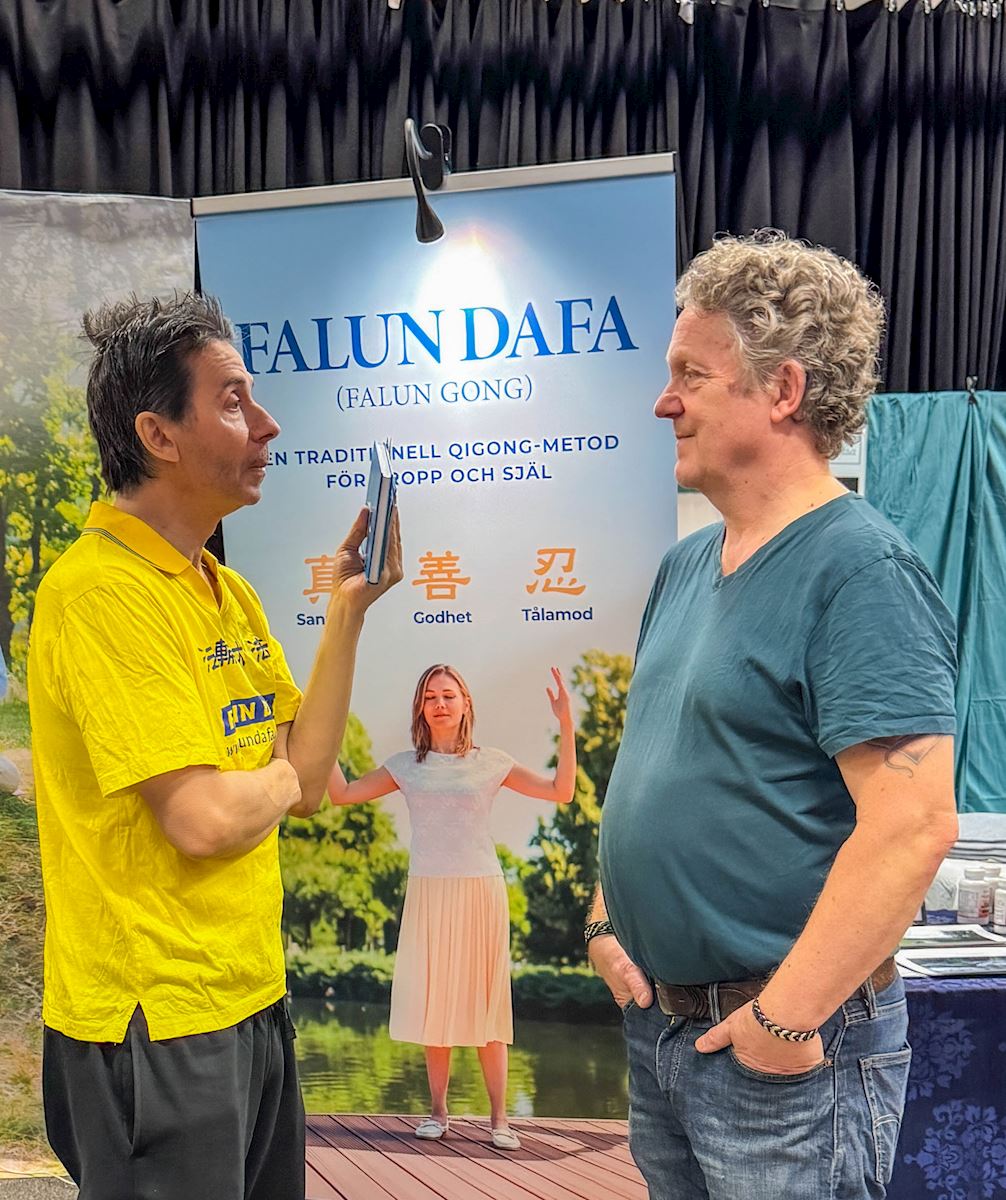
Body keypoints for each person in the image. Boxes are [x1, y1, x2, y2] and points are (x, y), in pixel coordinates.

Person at [587, 233, 958, 1200]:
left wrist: (784, 1022)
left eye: (690, 375)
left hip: (786, 1052)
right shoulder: (684, 567)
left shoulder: (861, 569)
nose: (663, 402)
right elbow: (653, 771)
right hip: (666, 1032)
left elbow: (914, 825)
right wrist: (605, 914)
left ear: (783, 389)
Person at [27, 292, 401, 1200]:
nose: (267, 424)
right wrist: (273, 778)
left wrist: (346, 614)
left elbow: (309, 781)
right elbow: (201, 819)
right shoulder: (100, 593)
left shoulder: (223, 591)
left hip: (248, 997)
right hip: (154, 1023)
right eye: (233, 401)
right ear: (158, 434)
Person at [327, 662, 575, 1149]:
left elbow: (561, 791)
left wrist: (566, 723)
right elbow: (341, 793)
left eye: (448, 695)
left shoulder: (491, 762)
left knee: (488, 1006)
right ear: (420, 708)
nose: (439, 703)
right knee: (434, 1002)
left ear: (465, 704)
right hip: (429, 891)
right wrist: (319, 734)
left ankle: (500, 1119)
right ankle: (438, 1112)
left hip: (480, 891)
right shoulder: (405, 766)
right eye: (430, 697)